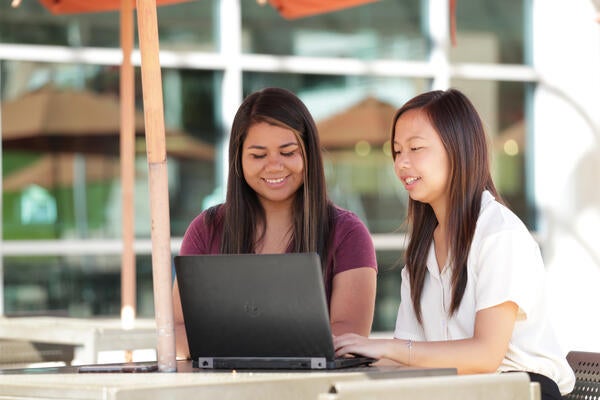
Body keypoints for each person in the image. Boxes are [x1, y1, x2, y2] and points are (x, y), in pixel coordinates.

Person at [333, 89, 575, 399]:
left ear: (457, 149)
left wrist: (388, 347)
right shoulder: (422, 251)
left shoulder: (498, 234)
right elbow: (411, 360)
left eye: (415, 148)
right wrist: (347, 359)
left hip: (522, 390)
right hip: (461, 391)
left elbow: (485, 355)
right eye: (396, 151)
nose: (401, 163)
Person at [173, 87, 378, 359]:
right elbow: (176, 330)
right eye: (258, 155)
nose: (274, 166)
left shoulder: (348, 233)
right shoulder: (206, 229)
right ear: (238, 159)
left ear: (308, 154)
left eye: (288, 152)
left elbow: (348, 338)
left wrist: (233, 339)